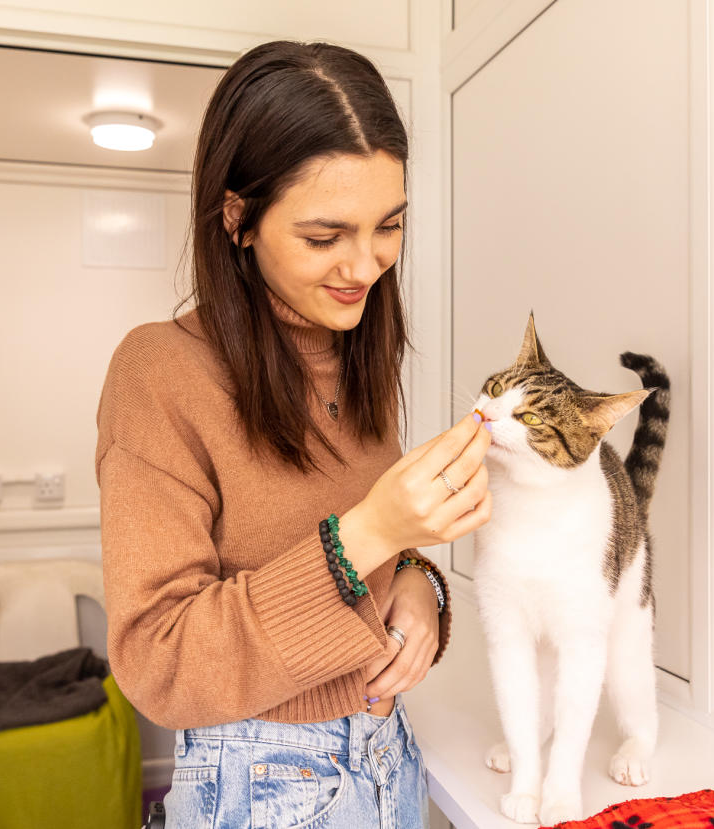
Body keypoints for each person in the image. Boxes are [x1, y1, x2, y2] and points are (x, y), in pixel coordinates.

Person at [93, 39, 492, 829]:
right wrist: (367, 534)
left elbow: (378, 554)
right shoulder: (158, 371)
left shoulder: (355, 351)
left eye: (390, 225)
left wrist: (421, 586)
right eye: (324, 236)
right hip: (255, 780)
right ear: (238, 218)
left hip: (390, 756)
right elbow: (159, 658)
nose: (366, 265)